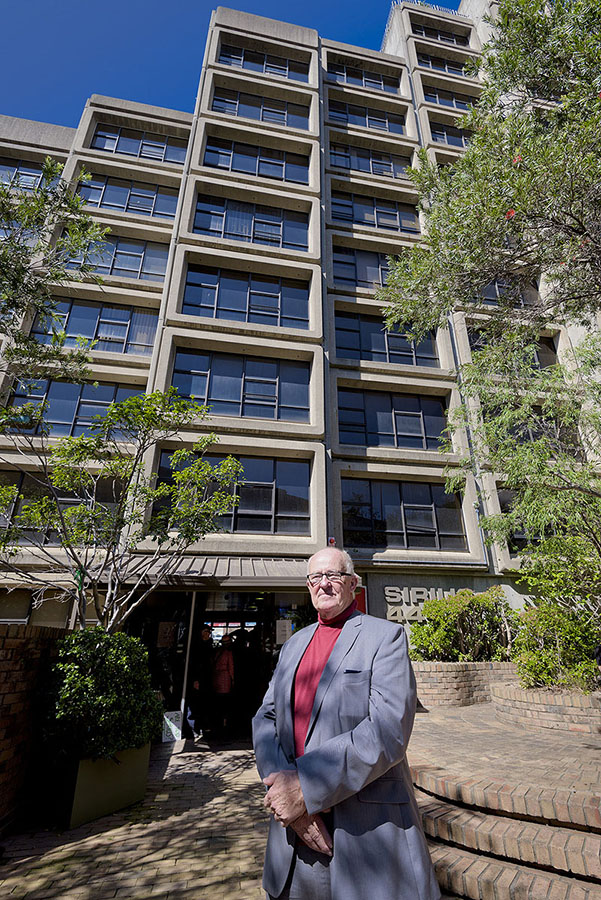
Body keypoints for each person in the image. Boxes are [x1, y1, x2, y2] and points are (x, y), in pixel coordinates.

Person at [252, 547, 440, 900]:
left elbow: (388, 730)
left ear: (353, 583)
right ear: (308, 586)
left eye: (333, 575)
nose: (323, 584)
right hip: (295, 835)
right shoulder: (293, 644)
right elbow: (265, 717)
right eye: (315, 577)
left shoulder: (386, 637)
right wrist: (285, 795)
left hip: (365, 831)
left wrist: (305, 788)